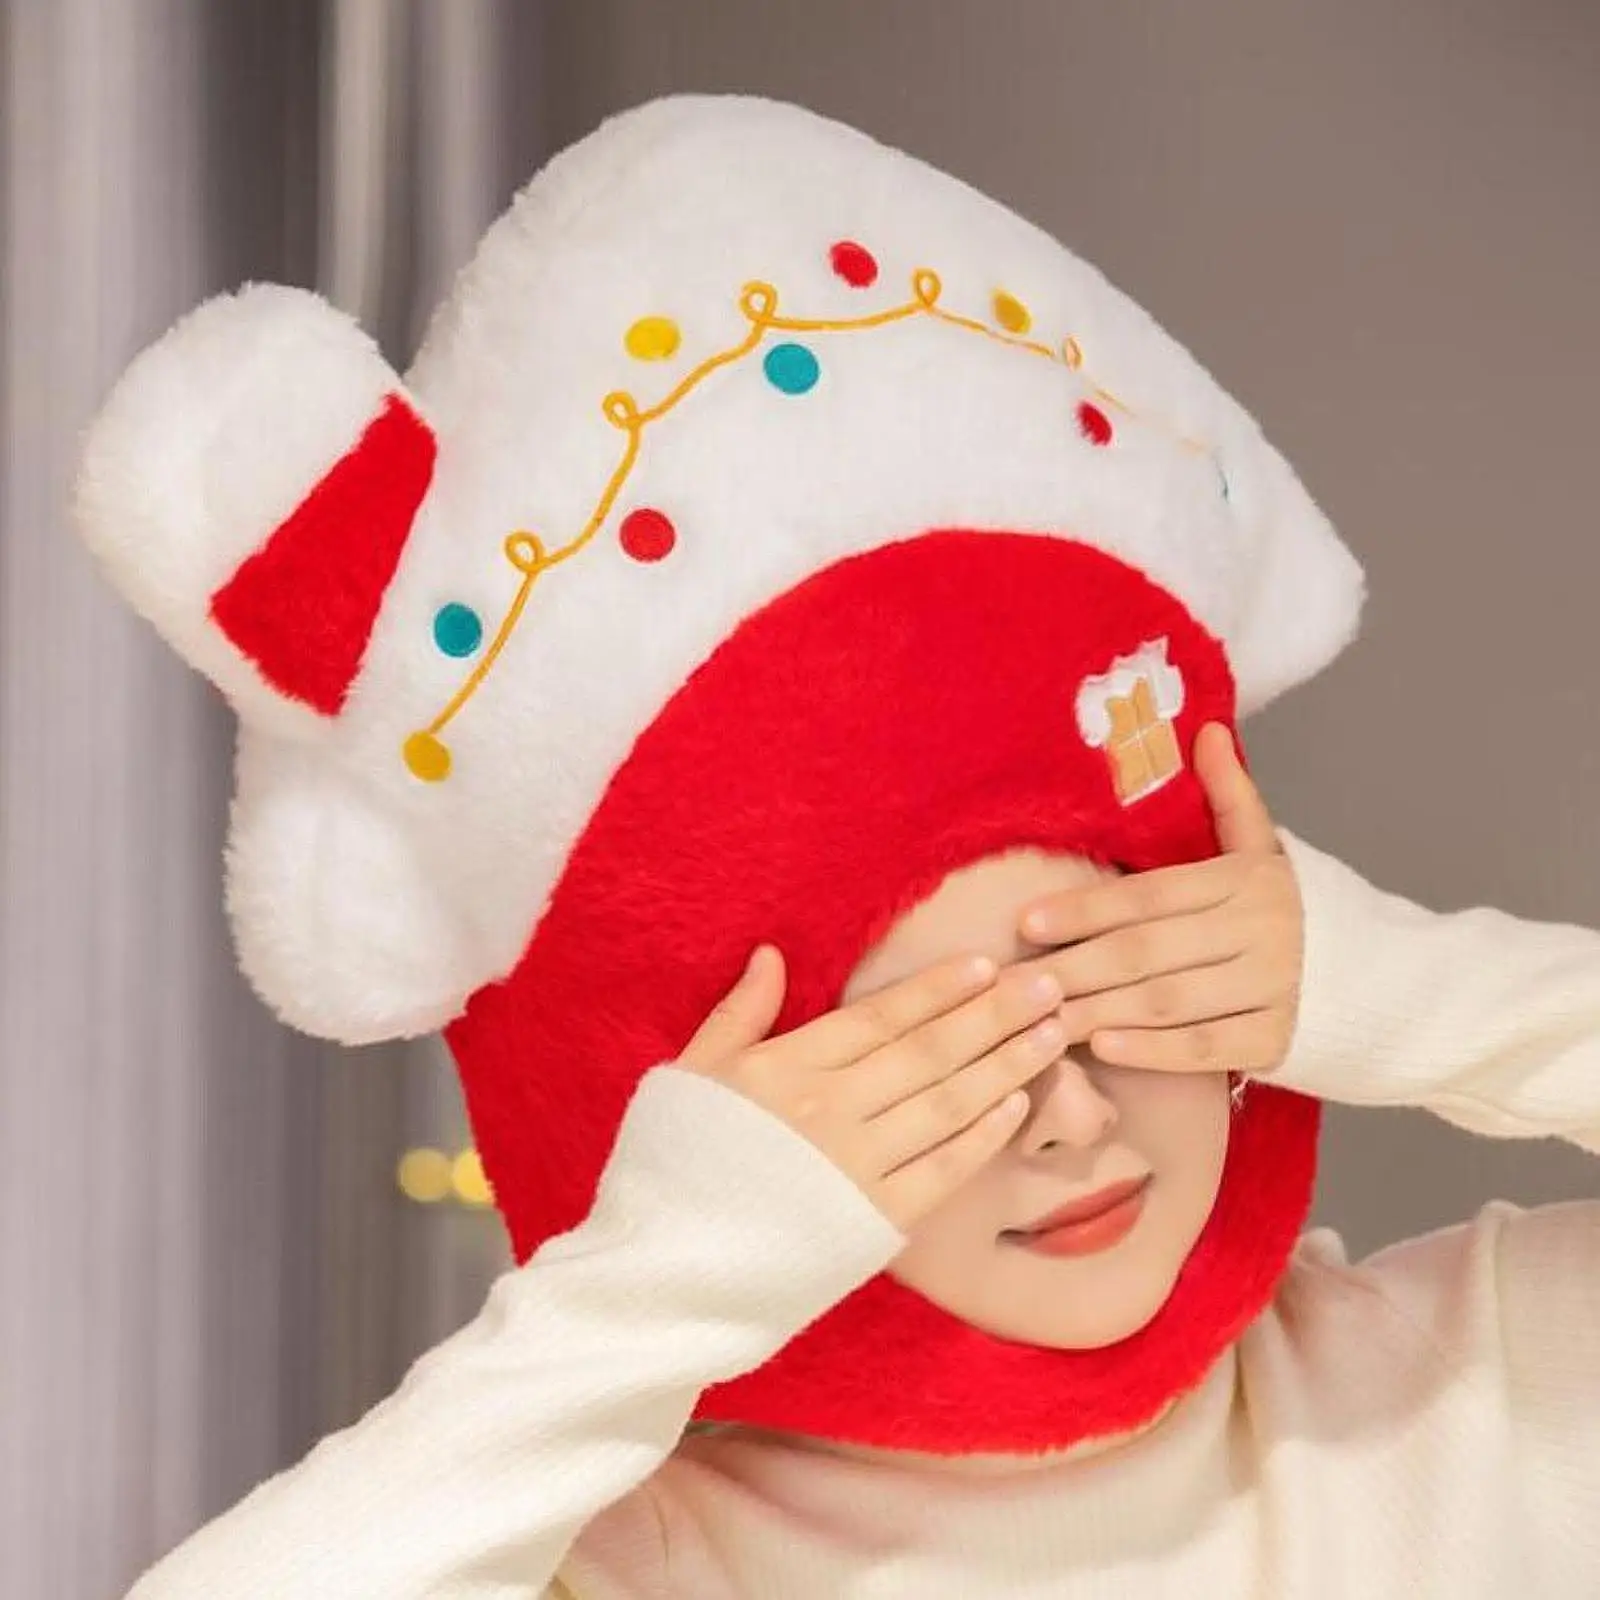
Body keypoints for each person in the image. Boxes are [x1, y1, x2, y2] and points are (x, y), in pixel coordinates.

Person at [75, 97, 1596, 1596]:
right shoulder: (657, 1570)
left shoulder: (1483, 1385)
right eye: (934, 1062)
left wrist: (1413, 992)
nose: (1070, 1120)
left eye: (1127, 990)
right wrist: (665, 1274)